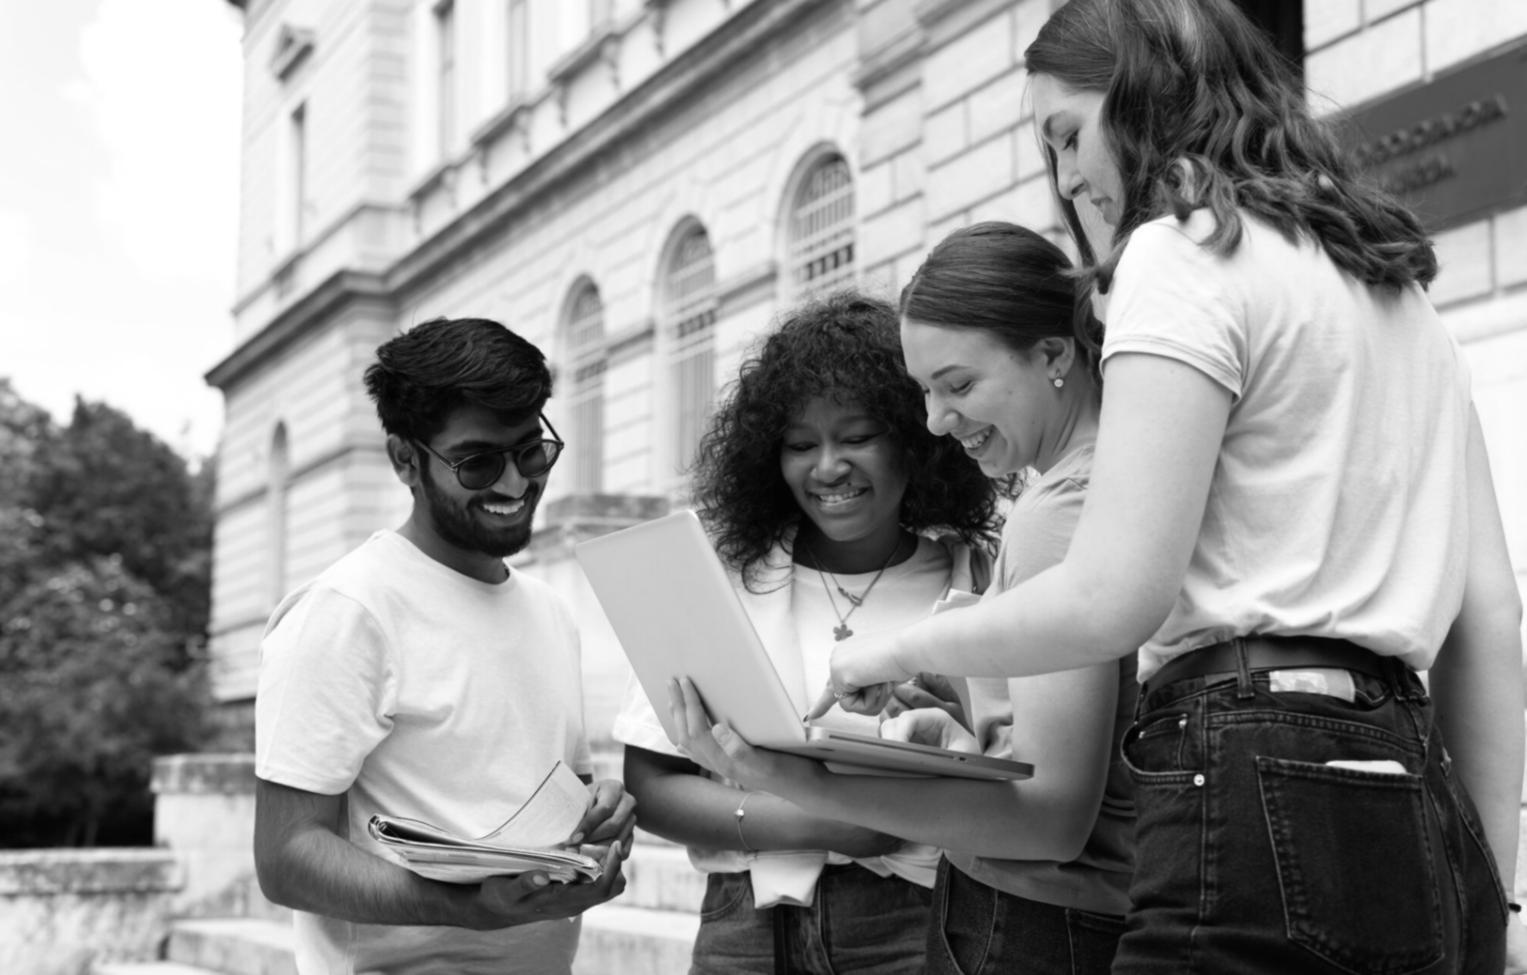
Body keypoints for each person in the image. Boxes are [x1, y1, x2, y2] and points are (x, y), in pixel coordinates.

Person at [817, 1, 1527, 972]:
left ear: (1146, 96)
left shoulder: (1184, 250)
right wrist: (1485, 896)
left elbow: (1116, 594)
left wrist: (890, 653)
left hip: (1243, 759)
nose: (1066, 178)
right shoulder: (1399, 297)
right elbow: (1491, 623)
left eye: (1069, 136)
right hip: (1408, 788)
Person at [667, 224, 1137, 975]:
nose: (937, 421)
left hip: (1040, 919)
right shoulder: (1104, 491)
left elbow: (1052, 817)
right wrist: (958, 725)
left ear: (1052, 354)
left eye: (956, 385)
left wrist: (803, 782)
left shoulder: (1056, 514)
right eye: (923, 392)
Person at [611, 291, 1000, 974]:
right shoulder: (724, 580)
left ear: (915, 437)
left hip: (921, 920)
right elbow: (649, 782)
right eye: (800, 444)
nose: (826, 468)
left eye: (855, 437)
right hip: (742, 926)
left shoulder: (978, 579)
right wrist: (827, 822)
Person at [253, 317, 635, 975]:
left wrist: (599, 818)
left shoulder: (550, 612)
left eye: (530, 451)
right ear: (404, 458)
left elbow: (554, 796)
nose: (515, 484)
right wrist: (463, 907)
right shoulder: (348, 611)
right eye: (478, 461)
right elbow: (286, 856)